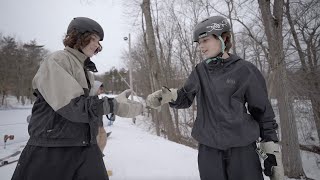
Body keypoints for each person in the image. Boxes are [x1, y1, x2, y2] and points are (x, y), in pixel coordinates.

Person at [146, 16, 284, 180]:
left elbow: (263, 113)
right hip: (209, 151)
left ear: (223, 38)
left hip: (242, 150)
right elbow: (185, 97)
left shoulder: (245, 70)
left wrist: (271, 151)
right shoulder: (200, 71)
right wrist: (167, 96)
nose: (201, 47)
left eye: (205, 40)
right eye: (199, 43)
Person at [12, 17, 143, 180]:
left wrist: (115, 103)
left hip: (85, 146)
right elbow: (73, 107)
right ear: (76, 37)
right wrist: (114, 105)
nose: (97, 45)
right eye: (93, 39)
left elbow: (89, 108)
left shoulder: (85, 70)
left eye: (98, 41)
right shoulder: (58, 60)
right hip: (52, 149)